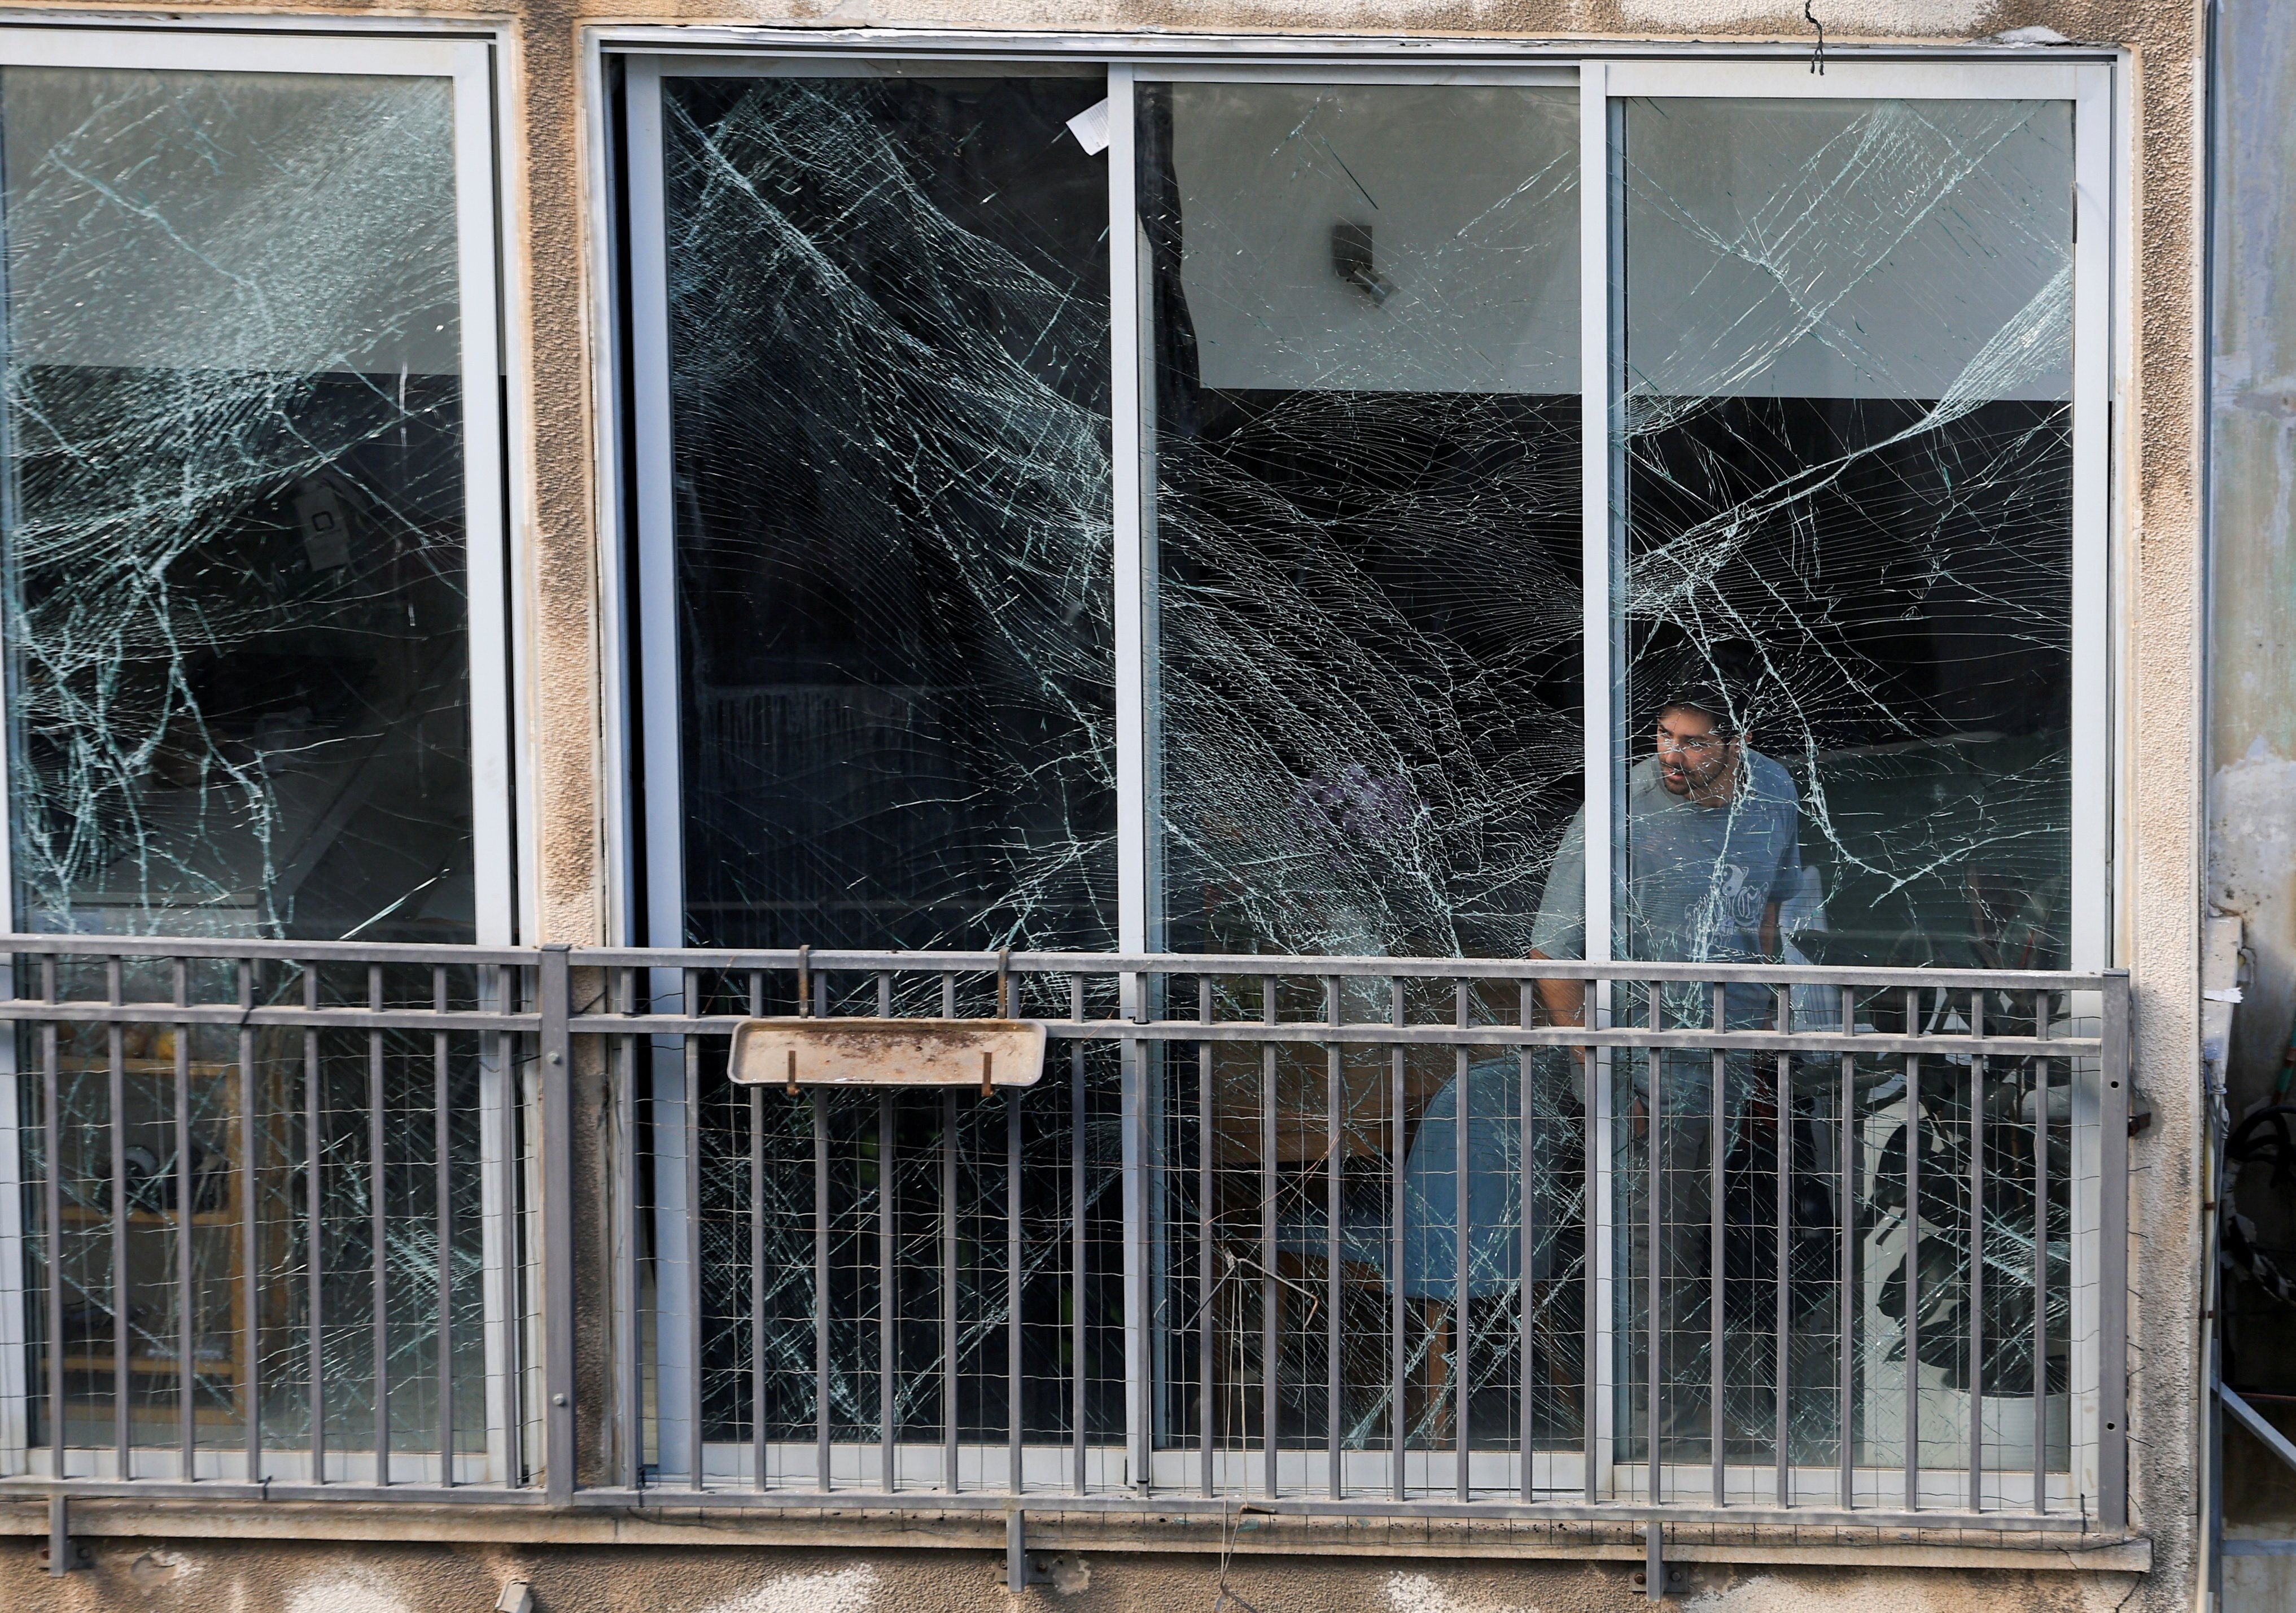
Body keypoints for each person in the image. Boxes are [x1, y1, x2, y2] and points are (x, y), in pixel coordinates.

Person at [1528, 674, 1805, 1454]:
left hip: (1739, 1058)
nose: (1672, 755)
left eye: (1693, 740)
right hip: (1642, 1067)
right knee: (1652, 1249)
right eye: (1662, 735)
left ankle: (1703, 1413)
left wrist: (1776, 1028)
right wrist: (1608, 1074)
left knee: (1724, 1242)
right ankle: (1646, 1430)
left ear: (1737, 744)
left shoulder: (1772, 789)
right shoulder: (1620, 808)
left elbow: (1774, 911)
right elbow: (1553, 952)